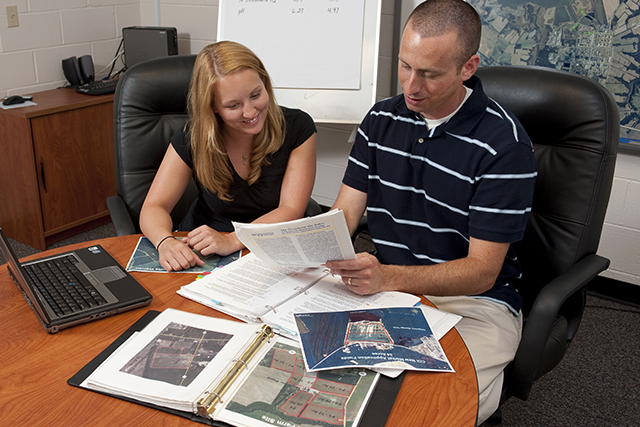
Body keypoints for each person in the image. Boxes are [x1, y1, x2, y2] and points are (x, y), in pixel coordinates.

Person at [324, 0, 537, 424]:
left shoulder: (504, 146)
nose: (412, 86)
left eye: (430, 73)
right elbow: (345, 213)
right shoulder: (381, 118)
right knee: (332, 388)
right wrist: (305, 246)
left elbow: (481, 272)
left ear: (468, 67)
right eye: (405, 66)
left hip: (474, 304)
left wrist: (390, 277)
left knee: (427, 410)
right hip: (389, 288)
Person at [140, 41, 317, 272]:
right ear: (212, 107)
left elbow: (291, 208)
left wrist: (233, 240)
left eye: (256, 95)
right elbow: (154, 205)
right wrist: (165, 242)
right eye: (233, 105)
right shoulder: (194, 137)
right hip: (204, 250)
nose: (250, 112)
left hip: (271, 245)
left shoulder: (297, 127)